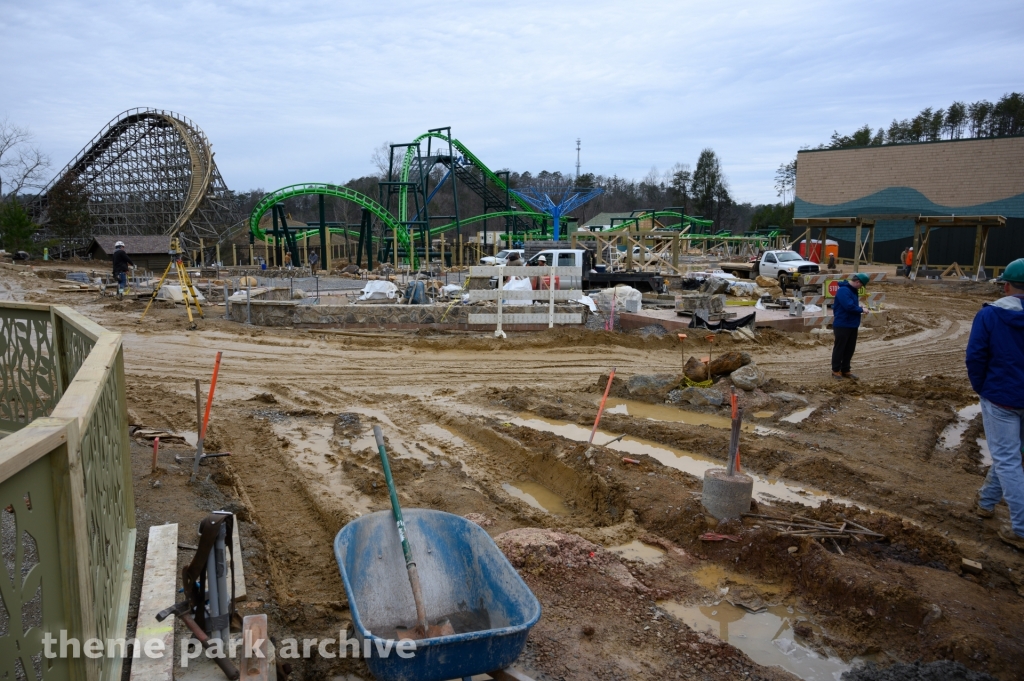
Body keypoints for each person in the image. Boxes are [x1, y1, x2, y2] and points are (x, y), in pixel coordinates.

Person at [966, 257, 1024, 550]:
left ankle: (1022, 528)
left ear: (1006, 285)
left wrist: (982, 388)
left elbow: (976, 355)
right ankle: (986, 501)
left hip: (1001, 396)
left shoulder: (991, 315)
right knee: (1011, 455)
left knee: (1007, 458)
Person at [831, 273, 869, 380]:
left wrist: (858, 307)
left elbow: (851, 304)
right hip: (842, 323)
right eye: (861, 285)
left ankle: (845, 369)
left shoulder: (852, 291)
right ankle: (836, 370)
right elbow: (848, 306)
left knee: (849, 348)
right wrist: (861, 309)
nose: (861, 287)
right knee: (840, 348)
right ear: (858, 282)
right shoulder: (844, 290)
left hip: (852, 324)